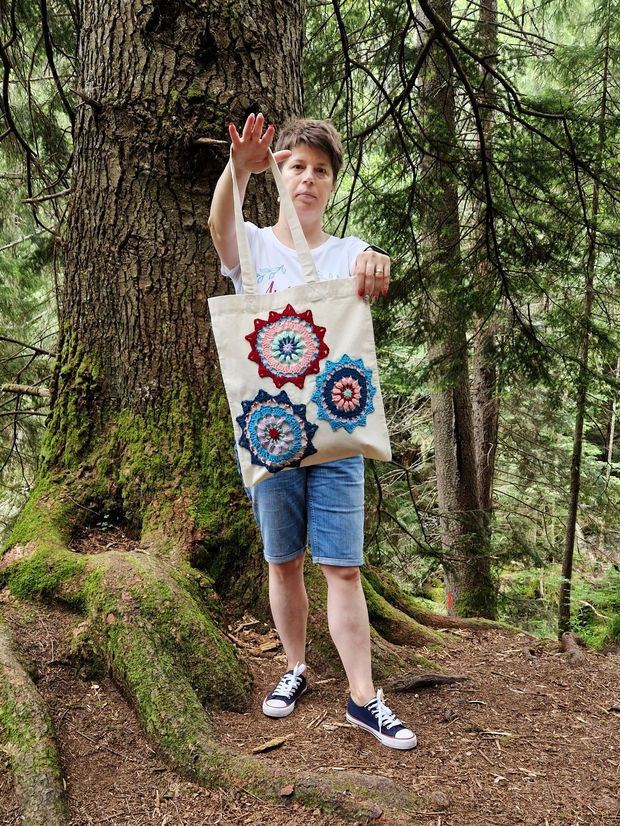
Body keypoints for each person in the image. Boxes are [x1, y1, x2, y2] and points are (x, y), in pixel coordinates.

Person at [208, 113, 417, 750]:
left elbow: (371, 265)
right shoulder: (255, 244)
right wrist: (236, 172)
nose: (308, 178)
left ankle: (362, 696)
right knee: (284, 559)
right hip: (270, 433)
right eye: (296, 165)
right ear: (278, 173)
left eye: (320, 170)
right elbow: (220, 228)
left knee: (344, 568)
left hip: (339, 433)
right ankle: (296, 667)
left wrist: (377, 260)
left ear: (332, 182)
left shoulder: (347, 251)